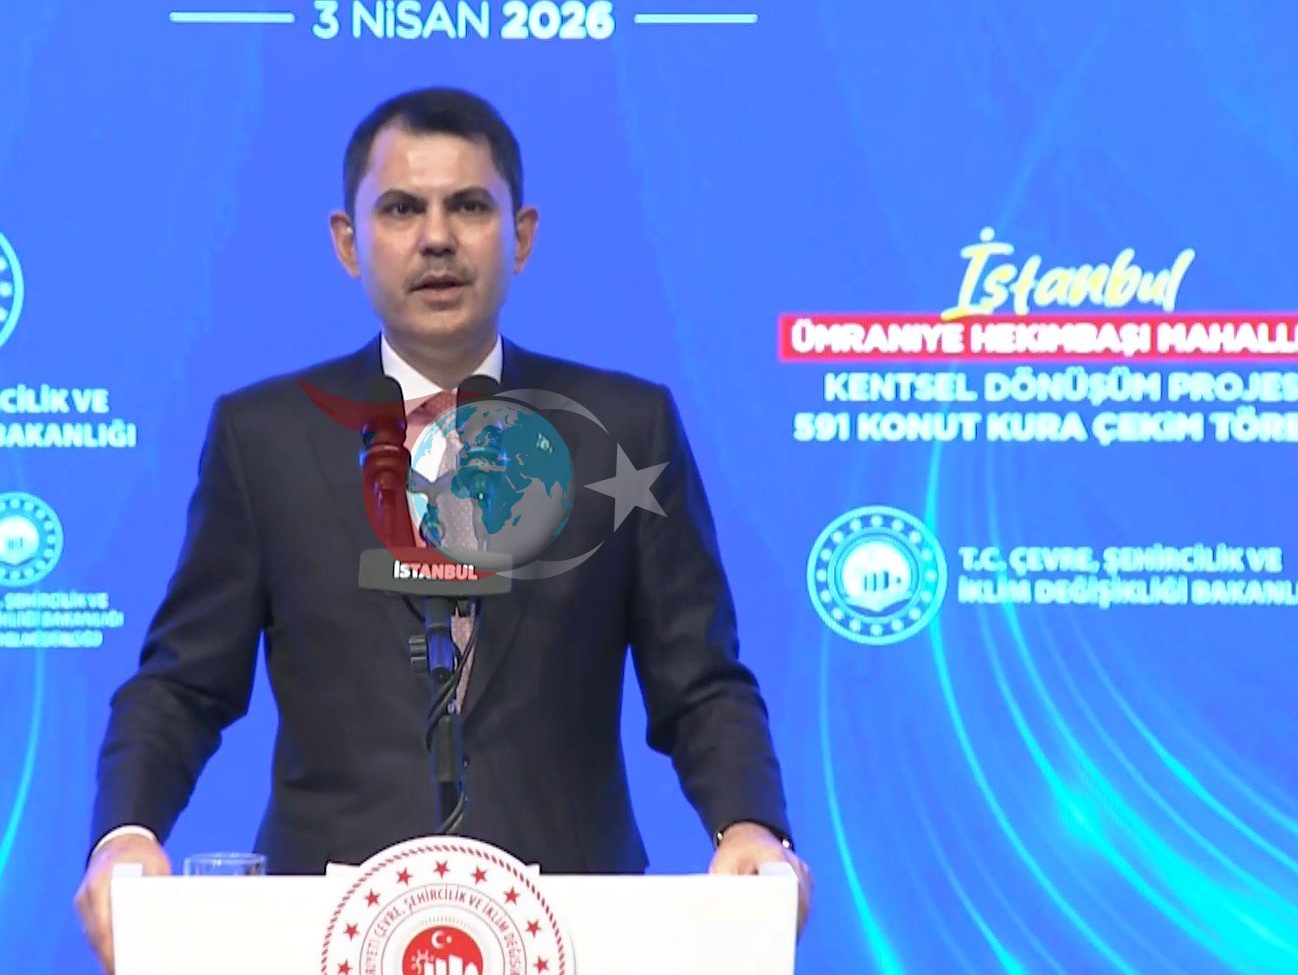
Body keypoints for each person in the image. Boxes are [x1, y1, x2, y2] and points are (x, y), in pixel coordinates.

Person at [73, 85, 811, 972]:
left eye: (469, 206)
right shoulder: (264, 436)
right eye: (400, 209)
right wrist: (125, 831)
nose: (436, 238)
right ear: (348, 242)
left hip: (575, 930)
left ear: (521, 235)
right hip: (325, 932)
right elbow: (183, 682)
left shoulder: (624, 429)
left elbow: (701, 683)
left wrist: (751, 826)